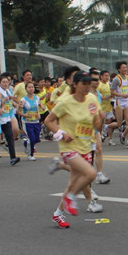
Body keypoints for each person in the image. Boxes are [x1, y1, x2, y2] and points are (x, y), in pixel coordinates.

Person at [44, 72, 103, 226]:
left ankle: (58, 214)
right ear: (75, 85)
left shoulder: (92, 99)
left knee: (73, 183)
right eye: (83, 83)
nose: (86, 86)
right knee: (90, 174)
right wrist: (61, 134)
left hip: (85, 146)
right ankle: (71, 198)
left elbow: (97, 123)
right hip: (68, 147)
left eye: (88, 83)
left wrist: (99, 120)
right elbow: (48, 121)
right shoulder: (65, 102)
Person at [20, 81, 42, 160]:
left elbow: (37, 107)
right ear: (26, 89)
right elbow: (18, 111)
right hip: (27, 122)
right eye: (29, 87)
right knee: (32, 139)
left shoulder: (37, 97)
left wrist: (39, 114)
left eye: (32, 87)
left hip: (36, 121)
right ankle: (31, 154)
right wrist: (25, 115)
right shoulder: (23, 100)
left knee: (37, 139)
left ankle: (25, 142)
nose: (31, 89)